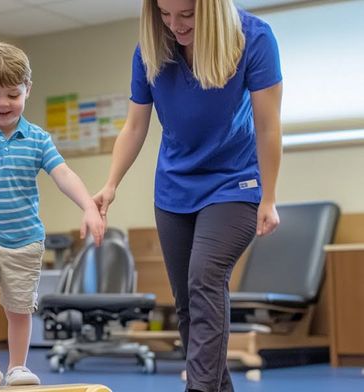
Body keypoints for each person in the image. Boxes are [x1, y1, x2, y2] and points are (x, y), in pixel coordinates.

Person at [94, 1, 282, 391]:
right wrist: (110, 184)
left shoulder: (254, 38)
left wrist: (270, 197)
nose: (174, 25)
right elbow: (134, 126)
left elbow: (267, 127)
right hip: (175, 189)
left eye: (187, 15)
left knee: (205, 279)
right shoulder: (150, 49)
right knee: (187, 306)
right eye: (164, 14)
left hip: (235, 183)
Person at [0, 42, 105, 388]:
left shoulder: (38, 139)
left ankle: (17, 366)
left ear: (28, 90)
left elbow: (64, 176)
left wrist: (88, 205)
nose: (3, 103)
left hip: (25, 239)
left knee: (19, 308)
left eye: (13, 94)